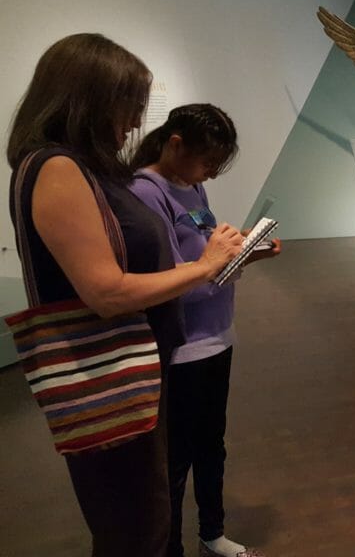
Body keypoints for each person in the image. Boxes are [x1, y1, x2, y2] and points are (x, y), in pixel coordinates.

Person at [6, 34, 243, 557]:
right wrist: (204, 267)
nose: (136, 123)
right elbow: (106, 291)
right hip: (106, 370)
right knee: (134, 526)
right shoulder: (57, 168)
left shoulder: (80, 167)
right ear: (88, 98)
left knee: (143, 518)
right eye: (128, 106)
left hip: (133, 366)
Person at [129, 104, 280, 557]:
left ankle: (211, 533)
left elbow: (207, 267)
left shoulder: (191, 186)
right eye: (207, 162)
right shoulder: (144, 192)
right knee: (176, 459)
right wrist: (217, 261)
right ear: (175, 144)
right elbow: (170, 283)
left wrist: (243, 253)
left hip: (216, 337)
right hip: (180, 348)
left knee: (212, 445)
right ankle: (170, 545)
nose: (210, 175)